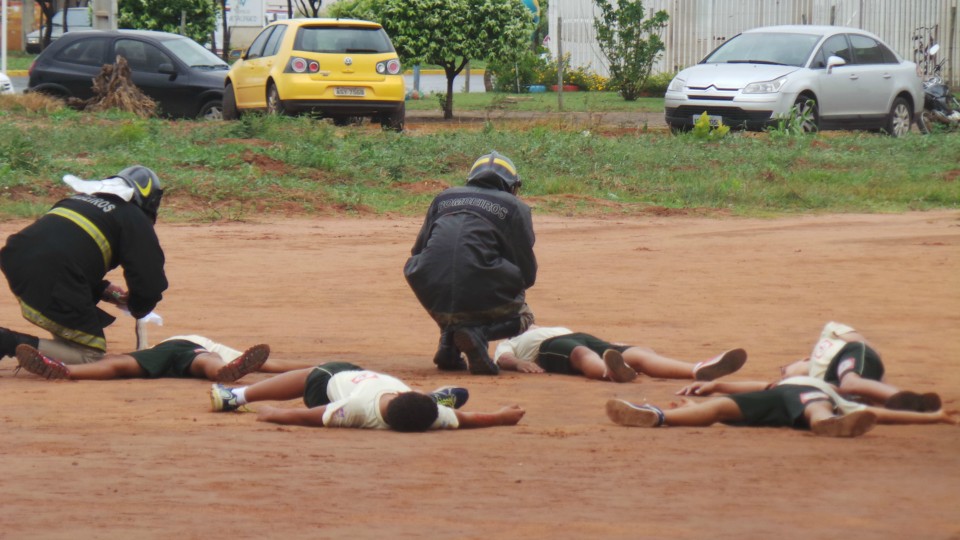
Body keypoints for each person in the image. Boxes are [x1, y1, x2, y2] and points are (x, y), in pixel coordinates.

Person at [0, 166, 168, 365]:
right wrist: (139, 307)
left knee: (70, 338)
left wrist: (102, 289)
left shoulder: (76, 200)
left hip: (16, 256)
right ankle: (8, 342)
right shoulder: (133, 216)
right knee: (89, 354)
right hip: (53, 271)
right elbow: (149, 279)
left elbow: (64, 246)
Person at [404, 151, 537, 376]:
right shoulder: (515, 207)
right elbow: (526, 271)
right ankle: (478, 335)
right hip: (477, 286)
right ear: (512, 186)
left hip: (431, 288)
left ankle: (449, 342)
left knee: (450, 283)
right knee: (525, 316)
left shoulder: (443, 197)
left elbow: (418, 250)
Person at [210, 362, 526, 432]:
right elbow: (469, 419)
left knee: (313, 372)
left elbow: (304, 416)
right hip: (361, 379)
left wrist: (267, 411)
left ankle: (236, 396)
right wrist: (500, 416)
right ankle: (434, 396)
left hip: (335, 383)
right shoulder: (432, 417)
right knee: (439, 407)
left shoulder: (358, 410)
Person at [606, 376, 958, 438]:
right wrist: (715, 386)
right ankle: (659, 416)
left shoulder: (825, 389)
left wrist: (930, 417)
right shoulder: (790, 384)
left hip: (808, 402)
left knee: (814, 403)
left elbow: (880, 414)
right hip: (779, 403)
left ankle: (824, 424)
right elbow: (758, 386)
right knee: (717, 407)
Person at [493, 325, 747, 383]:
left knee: (639, 353)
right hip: (547, 348)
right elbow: (501, 358)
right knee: (581, 354)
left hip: (578, 335)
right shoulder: (510, 339)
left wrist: (612, 344)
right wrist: (519, 363)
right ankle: (609, 371)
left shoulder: (541, 324)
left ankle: (696, 369)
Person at [778, 321, 941, 411]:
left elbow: (867, 347)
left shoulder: (826, 337)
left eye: (784, 370)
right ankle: (903, 405)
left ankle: (918, 402)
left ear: (805, 359)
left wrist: (884, 383)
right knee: (845, 390)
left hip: (851, 353)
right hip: (846, 381)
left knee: (849, 383)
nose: (784, 376)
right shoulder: (818, 381)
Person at [13, 335, 273, 382]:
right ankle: (224, 373)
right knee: (209, 363)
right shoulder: (223, 350)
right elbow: (273, 365)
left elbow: (272, 365)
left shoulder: (216, 346)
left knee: (118, 365)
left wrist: (315, 366)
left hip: (178, 348)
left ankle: (63, 369)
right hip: (192, 353)